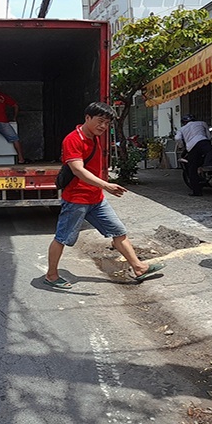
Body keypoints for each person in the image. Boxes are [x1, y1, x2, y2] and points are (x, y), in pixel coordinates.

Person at [44, 102, 164, 289]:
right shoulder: (73, 139)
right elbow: (78, 171)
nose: (103, 127)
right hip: (76, 199)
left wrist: (101, 188)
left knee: (118, 231)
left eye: (107, 123)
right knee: (62, 238)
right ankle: (51, 275)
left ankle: (139, 267)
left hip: (96, 199)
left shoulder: (95, 137)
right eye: (100, 121)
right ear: (87, 118)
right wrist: (106, 185)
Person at [175, 114, 212, 196]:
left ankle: (197, 192)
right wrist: (207, 141)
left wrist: (181, 146)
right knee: (211, 152)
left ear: (184, 122)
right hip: (203, 142)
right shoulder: (202, 123)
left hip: (191, 148)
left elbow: (177, 138)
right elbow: (208, 135)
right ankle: (208, 166)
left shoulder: (182, 129)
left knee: (192, 170)